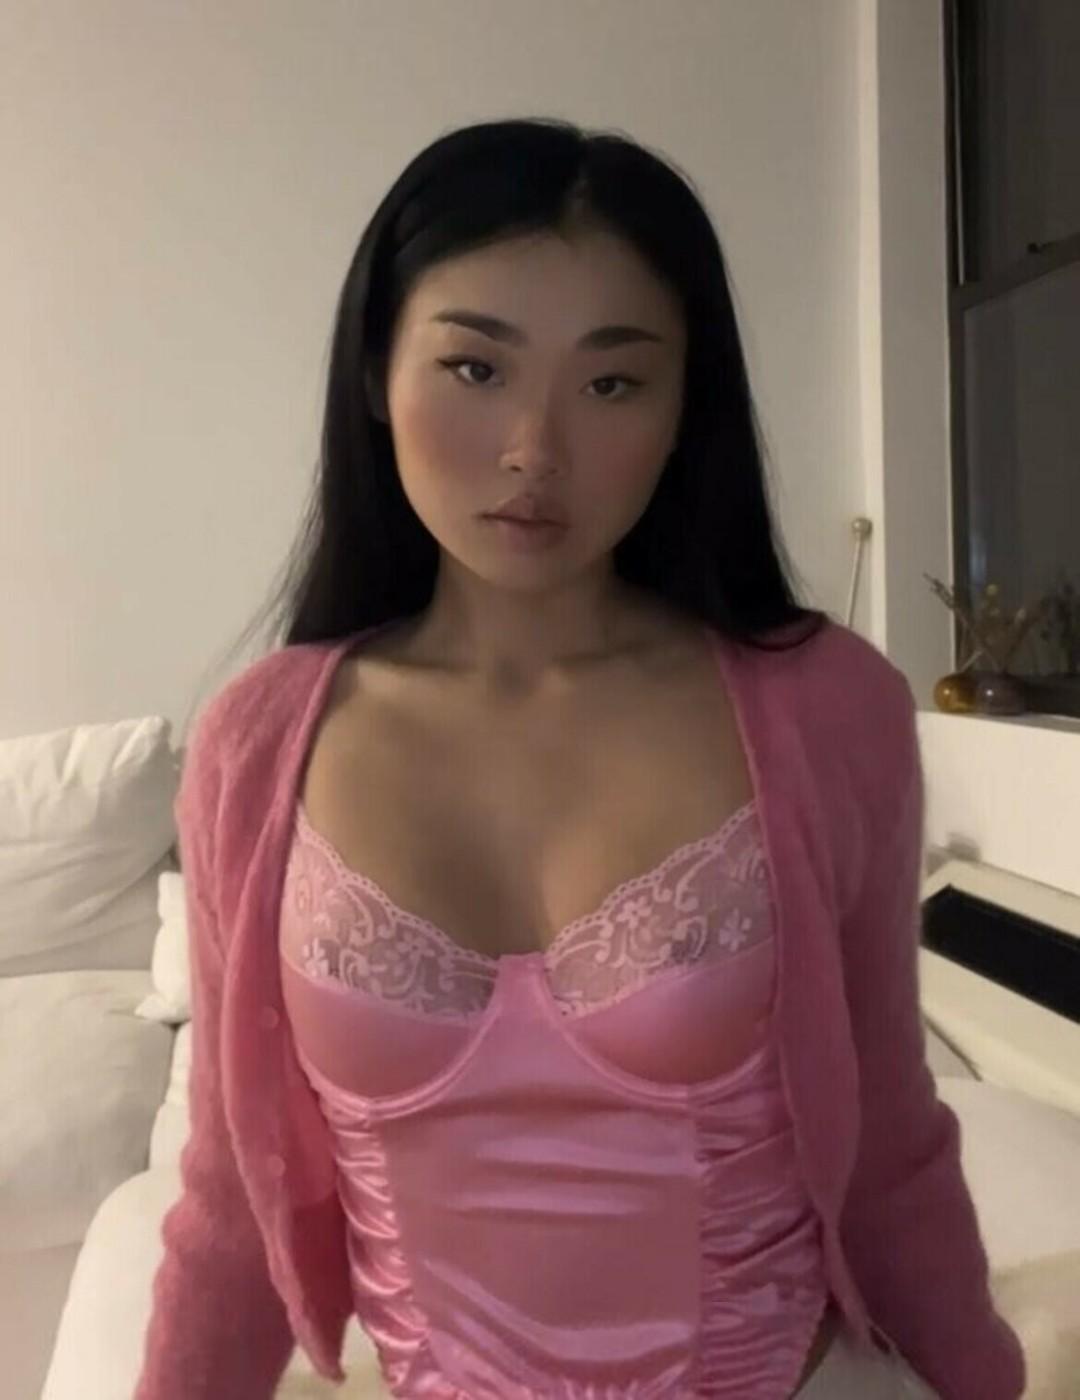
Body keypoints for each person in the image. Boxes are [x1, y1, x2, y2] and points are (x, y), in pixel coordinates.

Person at [135, 117, 1025, 1399]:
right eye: (475, 367)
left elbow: (892, 1145)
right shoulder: (258, 744)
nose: (533, 451)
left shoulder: (829, 707)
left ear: (683, 407)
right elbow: (230, 1200)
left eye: (612, 383)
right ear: (377, 372)